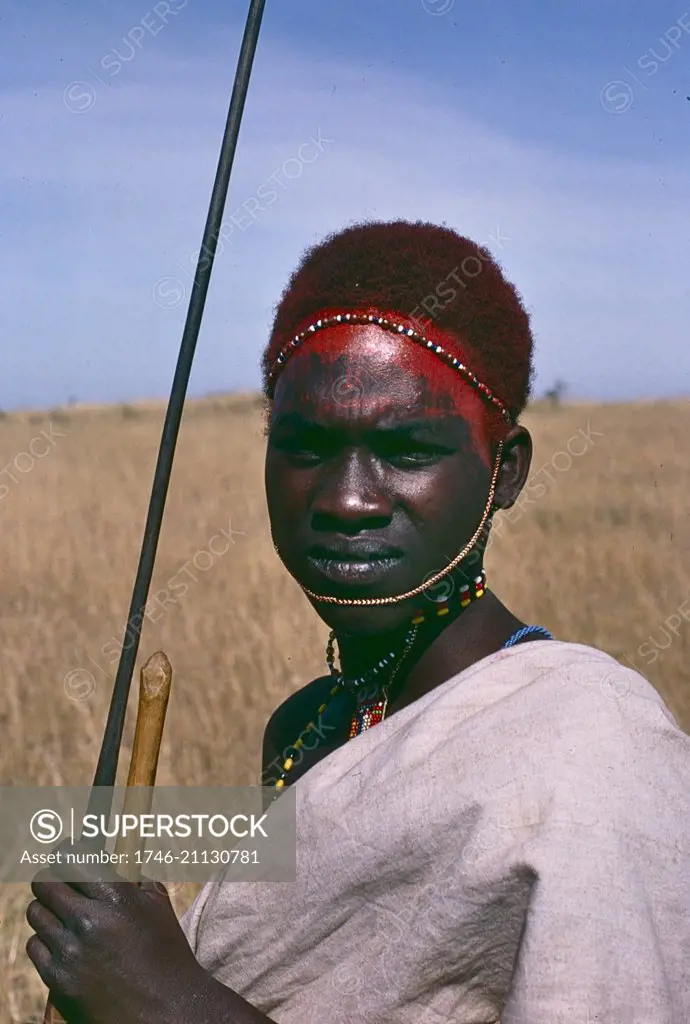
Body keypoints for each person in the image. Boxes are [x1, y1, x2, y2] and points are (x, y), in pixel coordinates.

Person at [26, 220, 690, 1023]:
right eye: (304, 445)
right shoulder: (307, 727)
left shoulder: (592, 746)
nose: (345, 499)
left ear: (505, 472)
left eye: (407, 449)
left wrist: (165, 997)